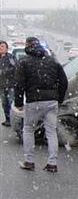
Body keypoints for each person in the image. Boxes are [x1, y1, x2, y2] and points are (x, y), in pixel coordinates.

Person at [14, 37, 68, 172]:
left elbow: (19, 84)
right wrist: (58, 99)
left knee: (28, 129)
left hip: (34, 101)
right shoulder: (52, 61)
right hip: (51, 101)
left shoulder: (24, 62)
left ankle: (29, 161)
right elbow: (64, 82)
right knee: (51, 132)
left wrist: (19, 102)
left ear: (27, 46)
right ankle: (52, 163)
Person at [0, 40, 17, 127]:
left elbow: (15, 68)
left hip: (10, 85)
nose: (0, 48)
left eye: (2, 46)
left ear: (6, 48)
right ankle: (7, 119)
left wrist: (4, 71)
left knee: (11, 102)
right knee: (4, 103)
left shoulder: (10, 57)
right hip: (2, 85)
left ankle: (13, 120)